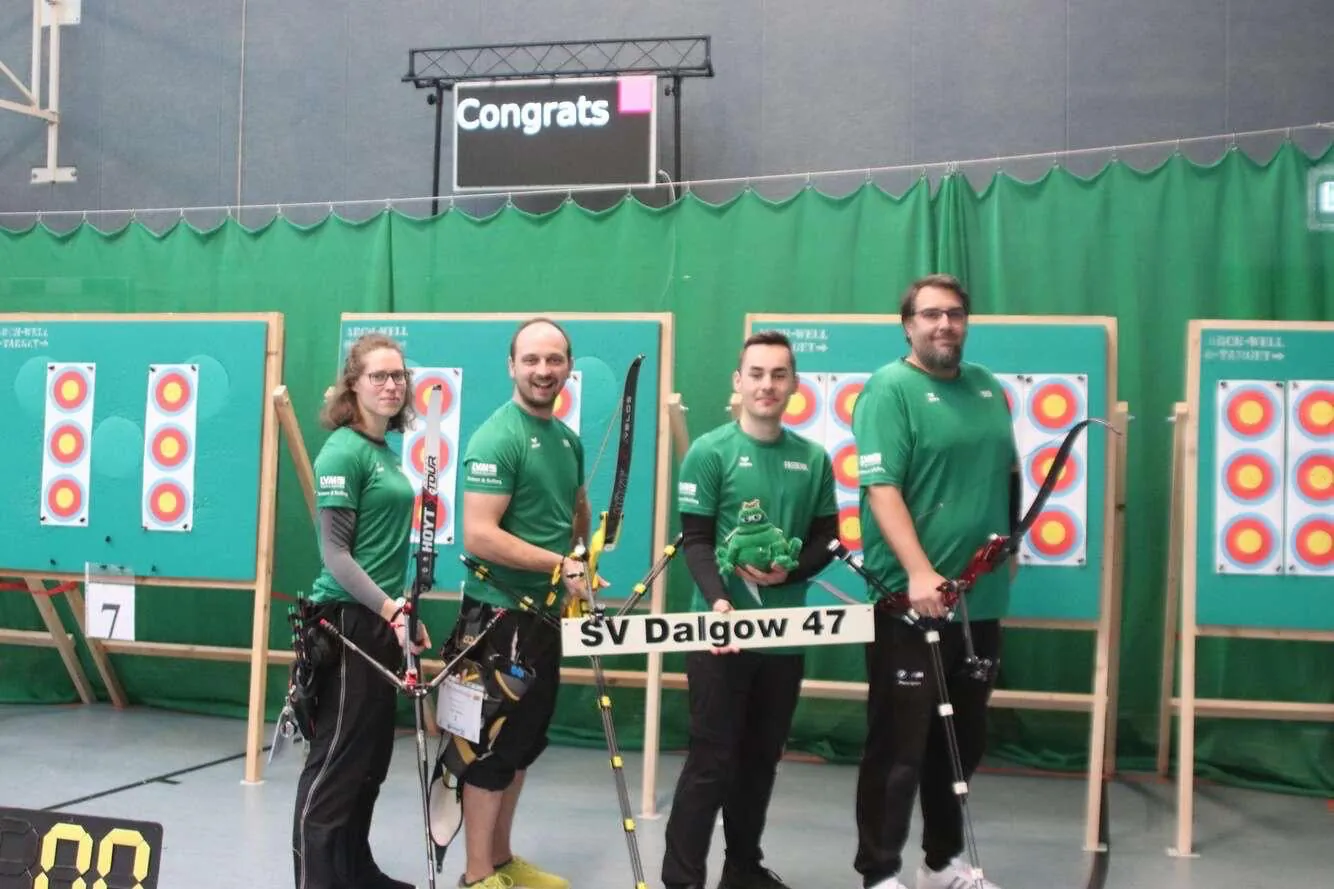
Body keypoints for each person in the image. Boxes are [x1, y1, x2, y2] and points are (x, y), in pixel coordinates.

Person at [850, 274, 1019, 889]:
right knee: (898, 746)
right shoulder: (889, 389)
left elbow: (1006, 474)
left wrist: (1009, 551)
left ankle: (941, 861)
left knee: (962, 743)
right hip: (909, 603)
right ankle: (880, 872)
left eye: (954, 313)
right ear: (908, 324)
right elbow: (881, 487)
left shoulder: (987, 388)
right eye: (930, 315)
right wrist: (920, 571)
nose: (943, 325)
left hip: (980, 603)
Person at [661, 330, 840, 889]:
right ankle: (682, 879)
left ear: (793, 384)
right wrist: (718, 601)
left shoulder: (813, 459)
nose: (767, 384)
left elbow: (827, 540)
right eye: (756, 373)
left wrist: (793, 570)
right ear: (738, 382)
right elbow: (695, 540)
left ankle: (743, 869)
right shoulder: (709, 452)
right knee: (711, 760)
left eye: (778, 374)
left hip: (784, 637)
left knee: (761, 759)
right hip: (719, 634)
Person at [448, 317, 593, 889]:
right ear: (512, 366)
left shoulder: (566, 440)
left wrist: (583, 548)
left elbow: (574, 514)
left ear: (568, 367)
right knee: (488, 750)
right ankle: (478, 875)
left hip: (543, 618)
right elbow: (479, 535)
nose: (543, 370)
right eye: (531, 360)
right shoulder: (497, 436)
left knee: (524, 743)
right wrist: (560, 563)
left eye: (554, 360)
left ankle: (503, 860)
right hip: (496, 618)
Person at [292, 333, 432, 889]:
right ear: (354, 384)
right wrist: (387, 608)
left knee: (369, 761)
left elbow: (379, 553)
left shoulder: (381, 451)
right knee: (335, 763)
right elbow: (335, 553)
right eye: (378, 375)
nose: (392, 384)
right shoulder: (343, 451)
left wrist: (401, 613)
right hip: (345, 620)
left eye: (398, 375)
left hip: (378, 619)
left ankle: (354, 871)